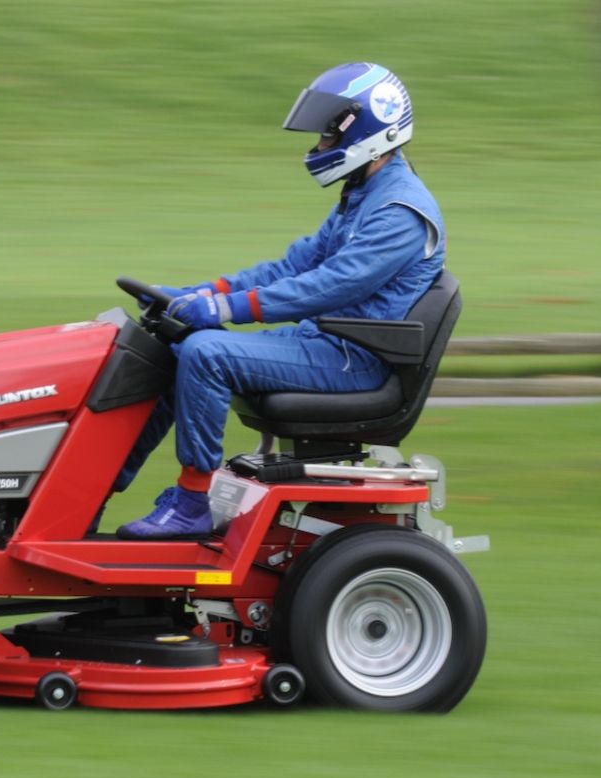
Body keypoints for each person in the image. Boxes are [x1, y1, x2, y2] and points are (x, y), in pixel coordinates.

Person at [115, 62, 445, 539]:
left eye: (329, 135)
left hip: (354, 359)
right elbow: (293, 266)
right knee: (173, 341)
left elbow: (329, 286)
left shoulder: (400, 213)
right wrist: (204, 293)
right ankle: (102, 483)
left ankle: (192, 503)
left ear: (367, 131)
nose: (319, 147)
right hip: (325, 345)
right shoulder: (366, 193)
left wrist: (225, 311)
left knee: (205, 352)